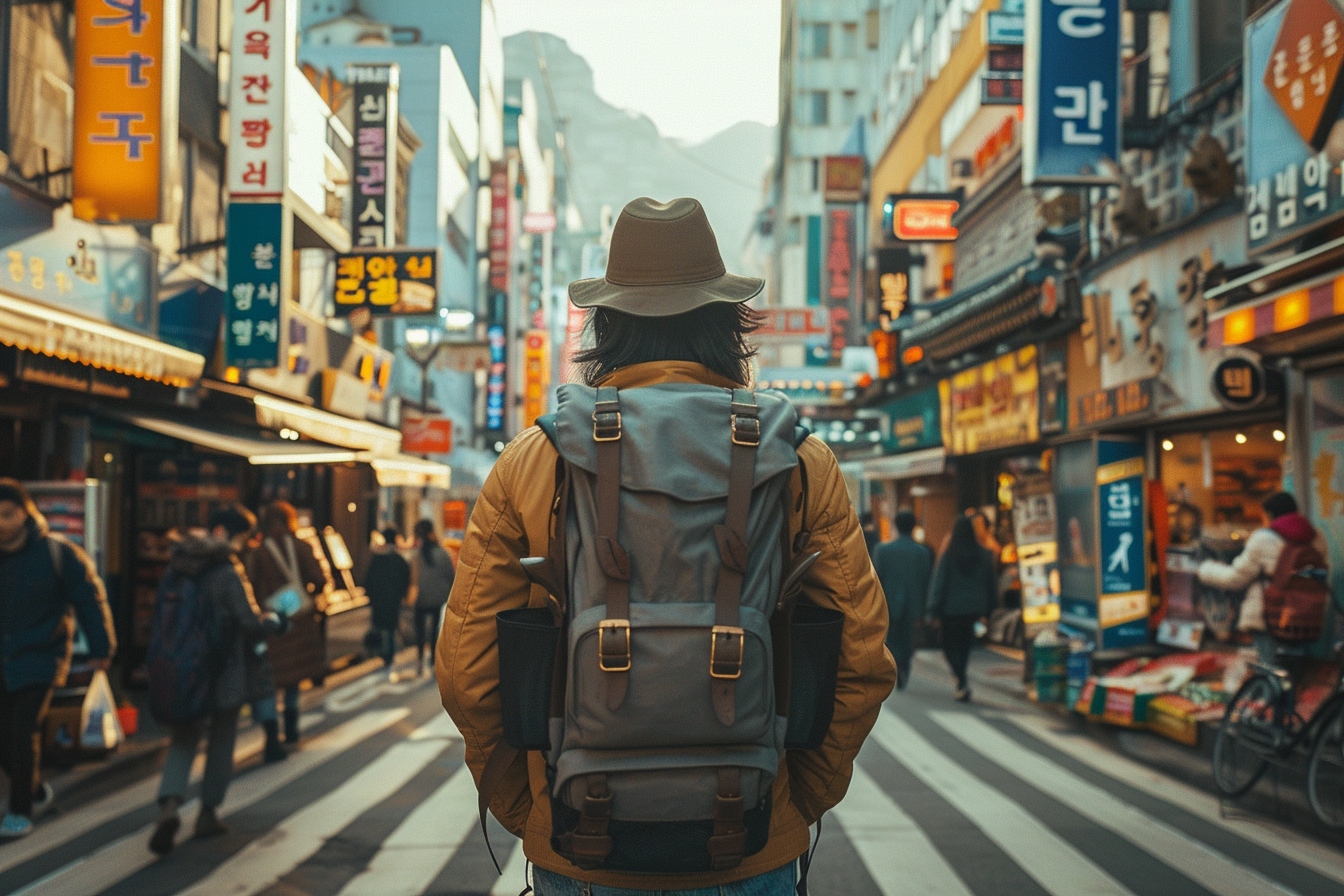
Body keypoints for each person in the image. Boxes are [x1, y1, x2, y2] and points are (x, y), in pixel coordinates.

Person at [438, 197, 895, 895]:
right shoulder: (800, 461)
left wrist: (532, 808)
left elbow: (467, 670)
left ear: (607, 325)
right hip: (751, 845)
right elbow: (862, 662)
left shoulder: (536, 459)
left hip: (578, 849)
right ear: (725, 324)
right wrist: (793, 801)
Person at [150, 506, 285, 854]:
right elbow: (249, 621)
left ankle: (169, 804)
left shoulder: (176, 564)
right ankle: (208, 813)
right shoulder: (227, 571)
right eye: (243, 538)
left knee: (183, 737)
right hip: (224, 667)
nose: (245, 546)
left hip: (182, 666)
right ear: (224, 531)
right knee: (222, 740)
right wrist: (272, 619)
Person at [0, 479, 116, 840]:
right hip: (3, 658)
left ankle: (19, 810)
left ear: (25, 513)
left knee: (23, 731)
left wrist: (101, 649)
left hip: (41, 656)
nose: (1, 523)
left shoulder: (57, 553)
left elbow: (89, 599)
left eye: (7, 514)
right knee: (4, 737)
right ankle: (33, 788)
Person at [1198, 491, 1321, 665]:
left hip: (1269, 615)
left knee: (1269, 667)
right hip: (1305, 615)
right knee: (1296, 667)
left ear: (1270, 515)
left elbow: (1236, 578)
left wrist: (1205, 570)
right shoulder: (1316, 537)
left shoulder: (1264, 539)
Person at [246, 501, 329, 753]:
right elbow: (320, 579)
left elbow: (250, 587)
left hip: (270, 622)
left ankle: (272, 735)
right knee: (293, 678)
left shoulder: (257, 553)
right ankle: (291, 727)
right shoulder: (302, 547)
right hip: (298, 622)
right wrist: (304, 595)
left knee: (269, 679)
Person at [928, 515, 997, 702]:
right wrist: (989, 609)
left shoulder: (949, 555)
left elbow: (939, 582)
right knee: (965, 646)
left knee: (949, 647)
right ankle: (962, 678)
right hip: (973, 610)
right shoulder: (984, 555)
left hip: (950, 610)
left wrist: (933, 610)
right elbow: (991, 583)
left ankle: (960, 678)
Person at [872, 508, 934, 690]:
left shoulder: (882, 550)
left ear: (896, 525)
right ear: (914, 526)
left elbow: (876, 579)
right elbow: (926, 581)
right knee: (908, 640)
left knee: (891, 639)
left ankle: (896, 666)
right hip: (915, 605)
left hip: (889, 603)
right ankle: (904, 667)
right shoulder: (923, 552)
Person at [363, 526, 411, 679]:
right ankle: (389, 654)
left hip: (379, 597)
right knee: (391, 627)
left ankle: (381, 653)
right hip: (393, 598)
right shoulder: (399, 559)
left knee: (379, 624)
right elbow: (405, 578)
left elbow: (369, 579)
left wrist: (369, 595)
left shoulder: (377, 558)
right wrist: (403, 594)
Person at [410, 519, 453, 677]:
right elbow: (450, 576)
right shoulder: (442, 553)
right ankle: (434, 661)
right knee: (435, 629)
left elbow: (411, 578)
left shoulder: (416, 555)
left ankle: (420, 659)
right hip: (438, 598)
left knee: (420, 630)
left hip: (420, 598)